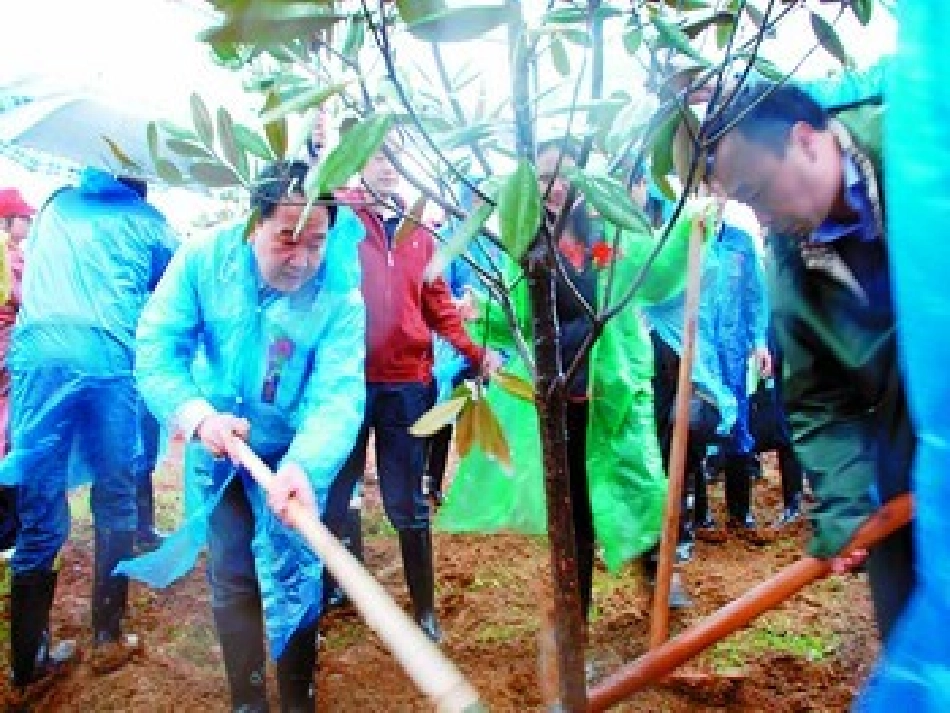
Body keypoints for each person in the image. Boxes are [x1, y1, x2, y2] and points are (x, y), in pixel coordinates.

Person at [438, 142, 707, 619]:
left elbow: (660, 266)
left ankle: (660, 577)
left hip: (615, 390)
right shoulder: (527, 245)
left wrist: (693, 222)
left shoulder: (611, 236)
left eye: (564, 175)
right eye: (543, 178)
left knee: (641, 483)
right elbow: (514, 316)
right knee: (573, 505)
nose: (556, 186)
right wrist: (480, 313)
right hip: (561, 392)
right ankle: (575, 605)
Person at [135, 160, 365, 712]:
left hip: (293, 454)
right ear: (252, 225)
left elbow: (338, 394)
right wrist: (197, 416)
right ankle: (248, 700)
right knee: (233, 571)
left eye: (317, 242)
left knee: (297, 574)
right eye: (288, 239)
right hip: (220, 444)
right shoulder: (203, 261)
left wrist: (303, 465)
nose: (303, 260)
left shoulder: (339, 293)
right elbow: (157, 347)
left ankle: (297, 697)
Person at [704, 82, 914, 643]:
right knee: (913, 622)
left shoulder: (920, 145)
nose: (762, 219)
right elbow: (819, 397)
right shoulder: (793, 264)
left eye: (758, 193)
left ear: (806, 141)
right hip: (908, 454)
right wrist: (847, 507)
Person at [0, 169, 179, 700]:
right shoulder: (150, 221)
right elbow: (173, 290)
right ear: (141, 182)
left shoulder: (54, 208)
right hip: (107, 359)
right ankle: (106, 635)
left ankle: (27, 664)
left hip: (37, 357)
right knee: (116, 496)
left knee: (40, 494)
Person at [325, 135, 502, 644]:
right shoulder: (341, 221)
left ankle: (424, 609)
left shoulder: (420, 231)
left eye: (396, 158)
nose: (388, 166)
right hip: (348, 381)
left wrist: (474, 352)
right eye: (379, 155)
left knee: (409, 501)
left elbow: (438, 302)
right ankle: (338, 582)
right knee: (340, 490)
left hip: (406, 383)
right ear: (360, 162)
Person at [0, 188, 34, 553]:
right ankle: (8, 531)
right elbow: (26, 298)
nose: (29, 223)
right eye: (24, 217)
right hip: (7, 344)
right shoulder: (11, 258)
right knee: (10, 429)